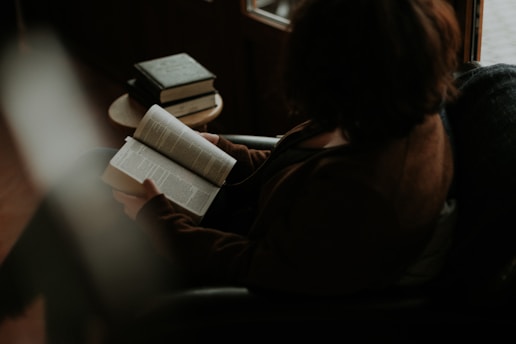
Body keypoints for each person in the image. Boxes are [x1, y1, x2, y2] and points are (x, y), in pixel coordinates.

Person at [1, 0, 461, 327]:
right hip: (260, 213)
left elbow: (264, 269)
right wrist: (223, 149)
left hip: (243, 271)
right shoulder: (394, 108)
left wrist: (156, 219)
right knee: (90, 167)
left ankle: (21, 300)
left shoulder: (367, 194)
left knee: (85, 232)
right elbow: (302, 164)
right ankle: (13, 294)